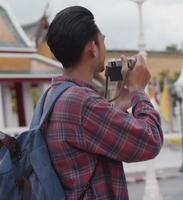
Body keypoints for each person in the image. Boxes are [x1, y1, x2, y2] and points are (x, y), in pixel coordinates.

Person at [45, 6, 164, 199]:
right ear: (93, 48)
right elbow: (151, 141)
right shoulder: (83, 103)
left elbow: (91, 138)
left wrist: (116, 105)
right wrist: (138, 90)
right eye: (103, 41)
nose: (105, 49)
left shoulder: (53, 95)